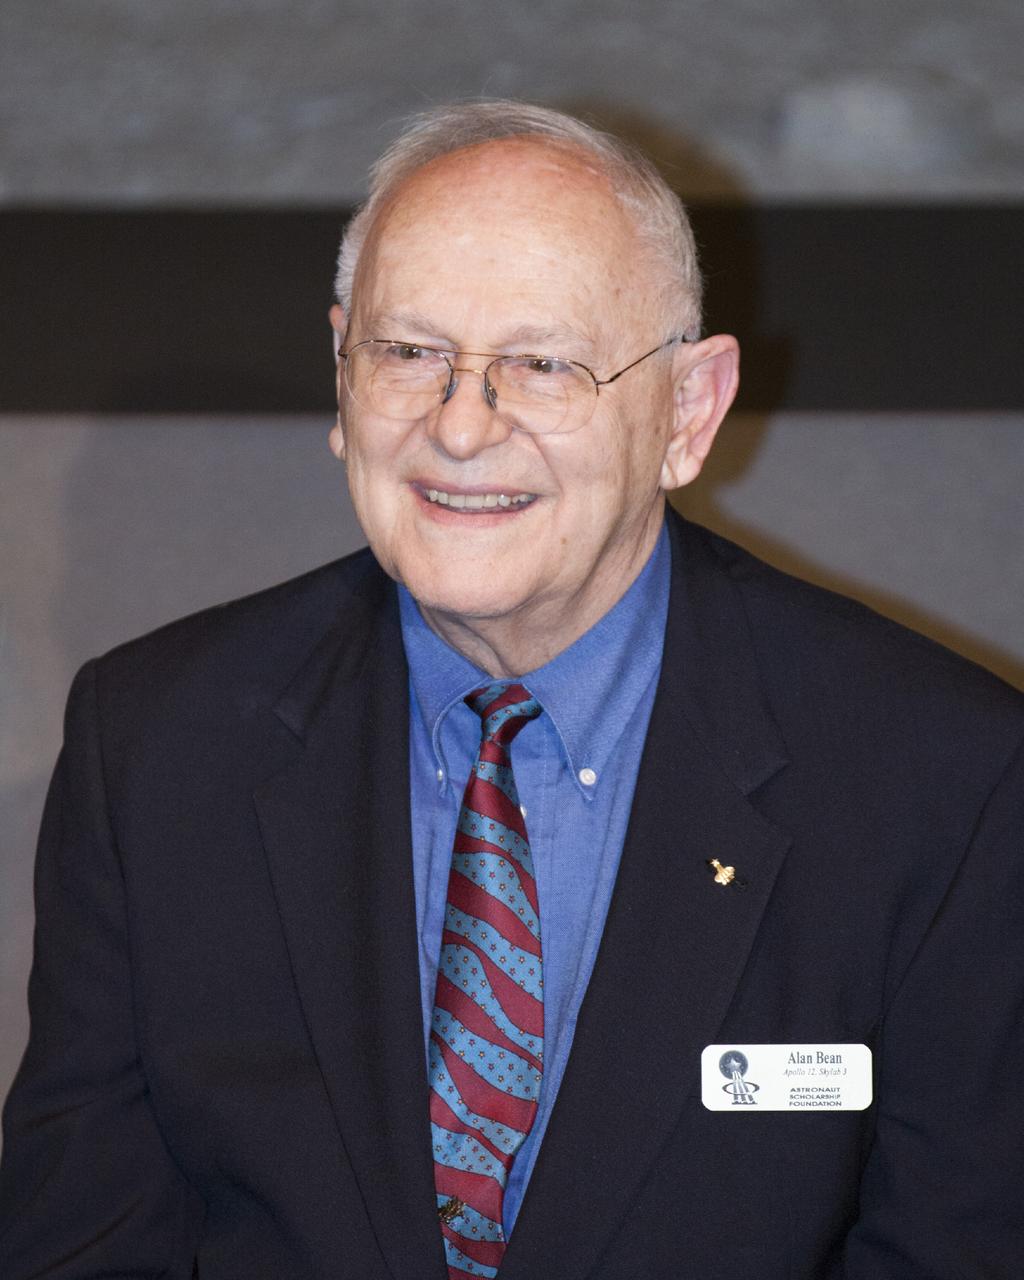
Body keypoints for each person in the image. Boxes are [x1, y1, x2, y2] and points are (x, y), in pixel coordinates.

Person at [1, 101, 1022, 1280]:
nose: (460, 424)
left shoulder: (941, 778)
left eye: (543, 364)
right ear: (340, 372)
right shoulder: (157, 746)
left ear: (688, 411)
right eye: (407, 352)